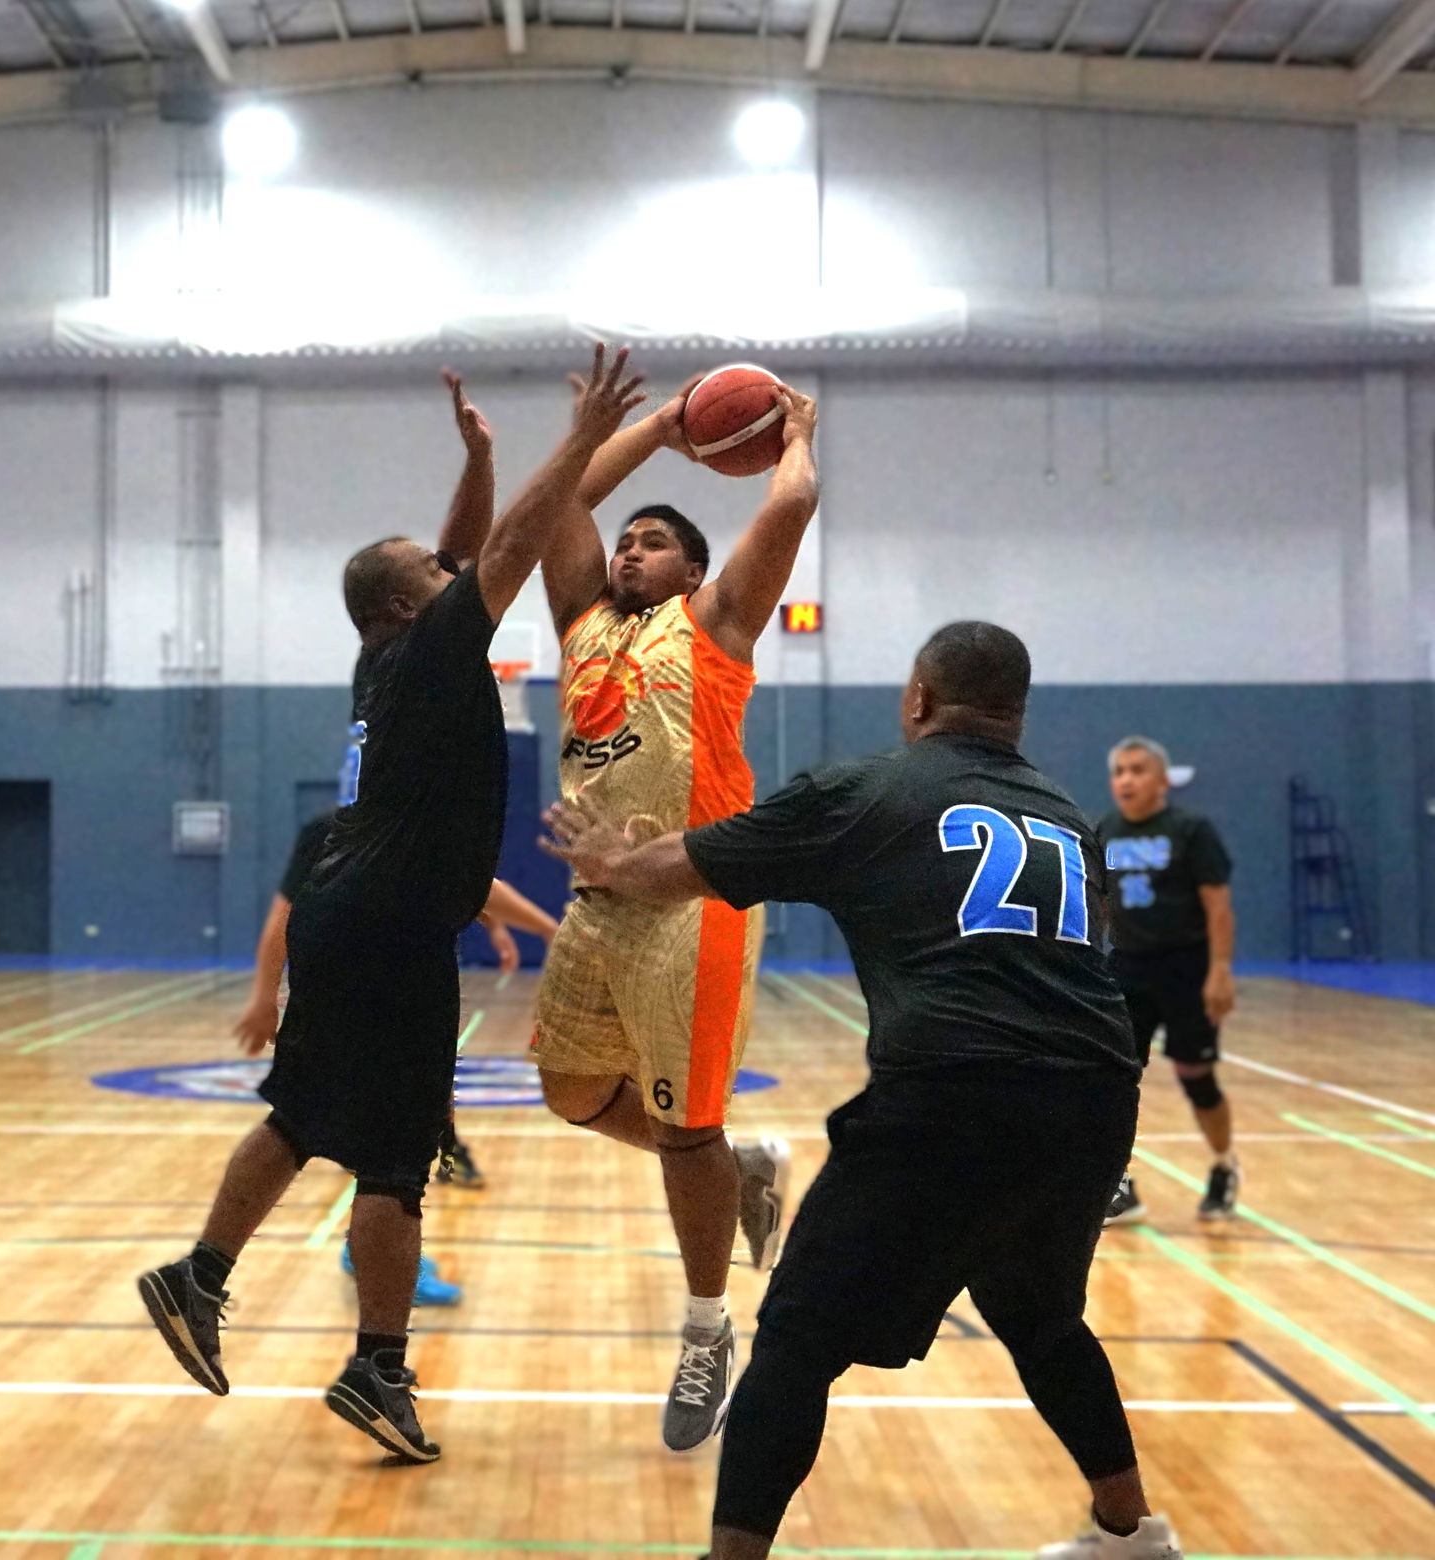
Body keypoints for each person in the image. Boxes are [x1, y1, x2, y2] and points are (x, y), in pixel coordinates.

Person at [544, 621, 1183, 1560]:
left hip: (952, 1098)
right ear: (1015, 714)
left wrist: (609, 863)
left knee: (796, 1340)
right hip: (1096, 1100)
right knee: (1042, 1318)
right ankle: (1133, 1532)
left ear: (918, 699)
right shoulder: (1067, 816)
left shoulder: (869, 790)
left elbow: (686, 867)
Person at [137, 345, 647, 1465]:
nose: (447, 564)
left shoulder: (389, 653)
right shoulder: (428, 650)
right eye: (429, 566)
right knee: (395, 1161)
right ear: (408, 599)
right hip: (393, 927)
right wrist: (579, 442)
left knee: (299, 1113)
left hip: (346, 913)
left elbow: (461, 550)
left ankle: (198, 1275)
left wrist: (480, 460)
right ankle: (377, 1367)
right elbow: (501, 551)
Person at [529, 374, 820, 1452]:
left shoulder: (716, 625)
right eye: (627, 540)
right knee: (570, 1091)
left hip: (697, 899)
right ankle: (740, 1168)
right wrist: (656, 427)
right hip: (597, 900)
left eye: (653, 542)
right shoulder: (582, 626)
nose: (628, 550)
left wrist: (793, 437)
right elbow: (565, 501)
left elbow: (791, 505)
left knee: (684, 1128)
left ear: (692, 571)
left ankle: (707, 1329)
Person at [233, 804, 563, 1191]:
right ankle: (409, 1156)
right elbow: (283, 918)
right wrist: (264, 998)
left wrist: (506, 928)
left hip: (390, 989)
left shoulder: (416, 834)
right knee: (318, 1114)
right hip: (356, 991)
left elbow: (477, 889)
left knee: (422, 1082)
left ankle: (439, 1154)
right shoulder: (348, 834)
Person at [1097, 738, 1239, 1226]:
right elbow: (1101, 904)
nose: (1126, 780)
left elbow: (1218, 908)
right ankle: (1119, 1183)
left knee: (1196, 1076)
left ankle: (1223, 1166)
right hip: (1127, 967)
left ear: (1161, 780)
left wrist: (1220, 972)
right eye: (1119, 771)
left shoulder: (1190, 831)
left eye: (1138, 770)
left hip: (1186, 969)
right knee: (1115, 1076)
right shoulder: (1106, 832)